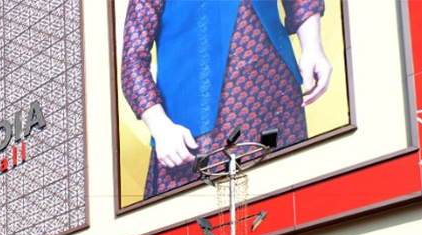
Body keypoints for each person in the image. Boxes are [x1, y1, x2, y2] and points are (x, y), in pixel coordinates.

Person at [121, 0, 333, 201]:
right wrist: (161, 128)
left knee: (288, 213)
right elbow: (132, 60)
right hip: (195, 128)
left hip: (277, 104)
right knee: (201, 229)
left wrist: (313, 47)